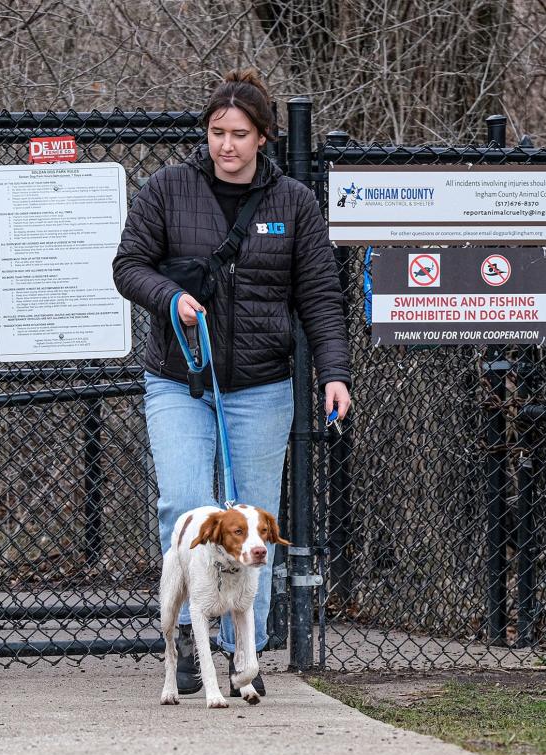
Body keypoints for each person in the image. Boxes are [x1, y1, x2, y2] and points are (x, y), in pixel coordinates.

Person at [112, 68, 352, 696]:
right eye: (217, 132)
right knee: (186, 503)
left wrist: (334, 373)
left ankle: (247, 657)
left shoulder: (294, 203)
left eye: (240, 134)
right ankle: (191, 647)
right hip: (180, 379)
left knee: (253, 521)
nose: (226, 145)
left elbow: (321, 295)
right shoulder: (166, 189)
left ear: (264, 137)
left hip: (262, 386)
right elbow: (128, 266)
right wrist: (170, 298)